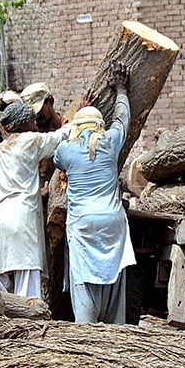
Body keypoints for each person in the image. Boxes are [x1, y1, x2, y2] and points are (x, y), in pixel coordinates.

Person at [53, 63, 136, 324]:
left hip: (83, 226)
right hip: (113, 223)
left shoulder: (67, 150)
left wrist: (76, 116)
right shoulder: (110, 142)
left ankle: (86, 328)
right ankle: (115, 331)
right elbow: (122, 120)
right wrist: (121, 90)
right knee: (114, 284)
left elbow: (56, 157)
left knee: (84, 280)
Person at [0, 102, 71, 298]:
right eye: (31, 121)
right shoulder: (29, 140)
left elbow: (5, 185)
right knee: (27, 297)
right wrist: (77, 117)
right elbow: (60, 137)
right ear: (22, 126)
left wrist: (37, 193)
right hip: (21, 222)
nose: (35, 124)